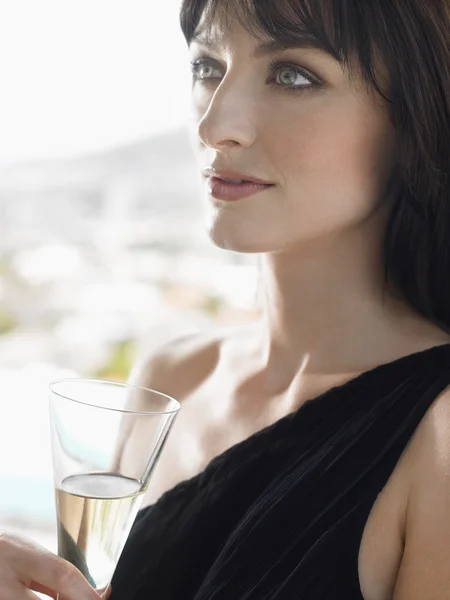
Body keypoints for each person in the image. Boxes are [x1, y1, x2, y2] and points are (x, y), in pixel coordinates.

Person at [2, 0, 450, 598]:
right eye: (207, 67)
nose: (216, 126)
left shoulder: (439, 436)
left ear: (416, 116)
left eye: (293, 75)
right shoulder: (172, 379)